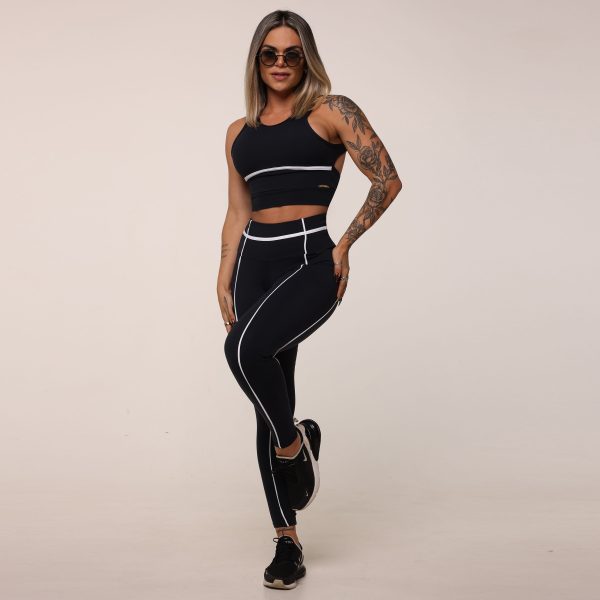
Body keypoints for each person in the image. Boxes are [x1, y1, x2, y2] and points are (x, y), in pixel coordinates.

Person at [217, 9, 402, 590]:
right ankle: (287, 541)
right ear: (256, 60)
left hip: (308, 258)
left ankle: (293, 444)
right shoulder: (238, 132)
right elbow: (238, 210)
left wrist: (344, 244)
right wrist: (222, 273)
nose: (280, 63)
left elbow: (388, 180)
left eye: (291, 54)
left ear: (307, 59)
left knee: (242, 352)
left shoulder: (331, 110)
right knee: (266, 394)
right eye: (269, 54)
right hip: (254, 262)